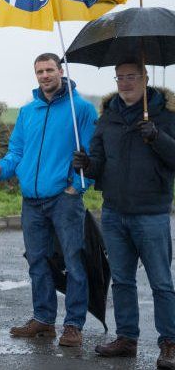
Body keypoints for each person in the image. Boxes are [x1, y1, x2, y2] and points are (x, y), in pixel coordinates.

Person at [0, 53, 96, 348]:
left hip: (64, 198)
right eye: (39, 71)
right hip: (31, 200)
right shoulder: (28, 111)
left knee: (73, 262)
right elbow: (17, 152)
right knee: (37, 261)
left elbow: (93, 154)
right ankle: (44, 320)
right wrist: (1, 168)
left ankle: (73, 325)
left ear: (60, 71)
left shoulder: (80, 109)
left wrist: (77, 187)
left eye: (49, 70)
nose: (45, 75)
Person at [72, 62, 175, 368]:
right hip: (114, 213)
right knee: (122, 281)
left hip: (151, 213)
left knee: (161, 282)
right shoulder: (108, 118)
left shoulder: (166, 115)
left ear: (145, 78)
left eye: (132, 77)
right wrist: (86, 164)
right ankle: (127, 339)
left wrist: (156, 136)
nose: (126, 83)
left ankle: (169, 342)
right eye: (121, 77)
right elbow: (98, 162)